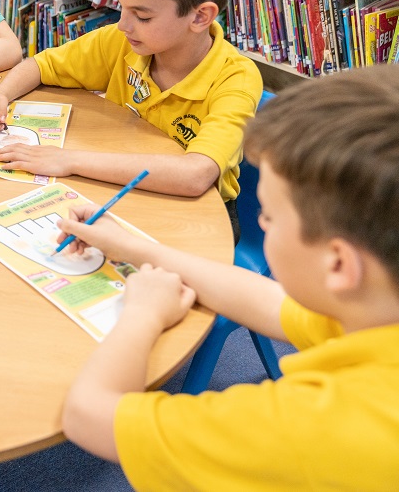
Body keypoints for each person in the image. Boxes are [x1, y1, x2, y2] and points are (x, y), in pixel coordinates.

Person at [57, 66, 399, 490]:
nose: (261, 222)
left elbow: (88, 415)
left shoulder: (306, 427)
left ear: (338, 265)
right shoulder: (376, 309)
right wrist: (133, 247)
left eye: (268, 217)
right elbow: (269, 301)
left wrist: (142, 314)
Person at [0, 0, 262, 237]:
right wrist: (1, 94)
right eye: (121, 7)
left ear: (200, 17)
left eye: (142, 15)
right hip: (121, 188)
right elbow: (41, 66)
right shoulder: (123, 41)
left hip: (201, 216)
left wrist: (68, 160)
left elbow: (195, 175)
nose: (123, 24)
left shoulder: (235, 78)